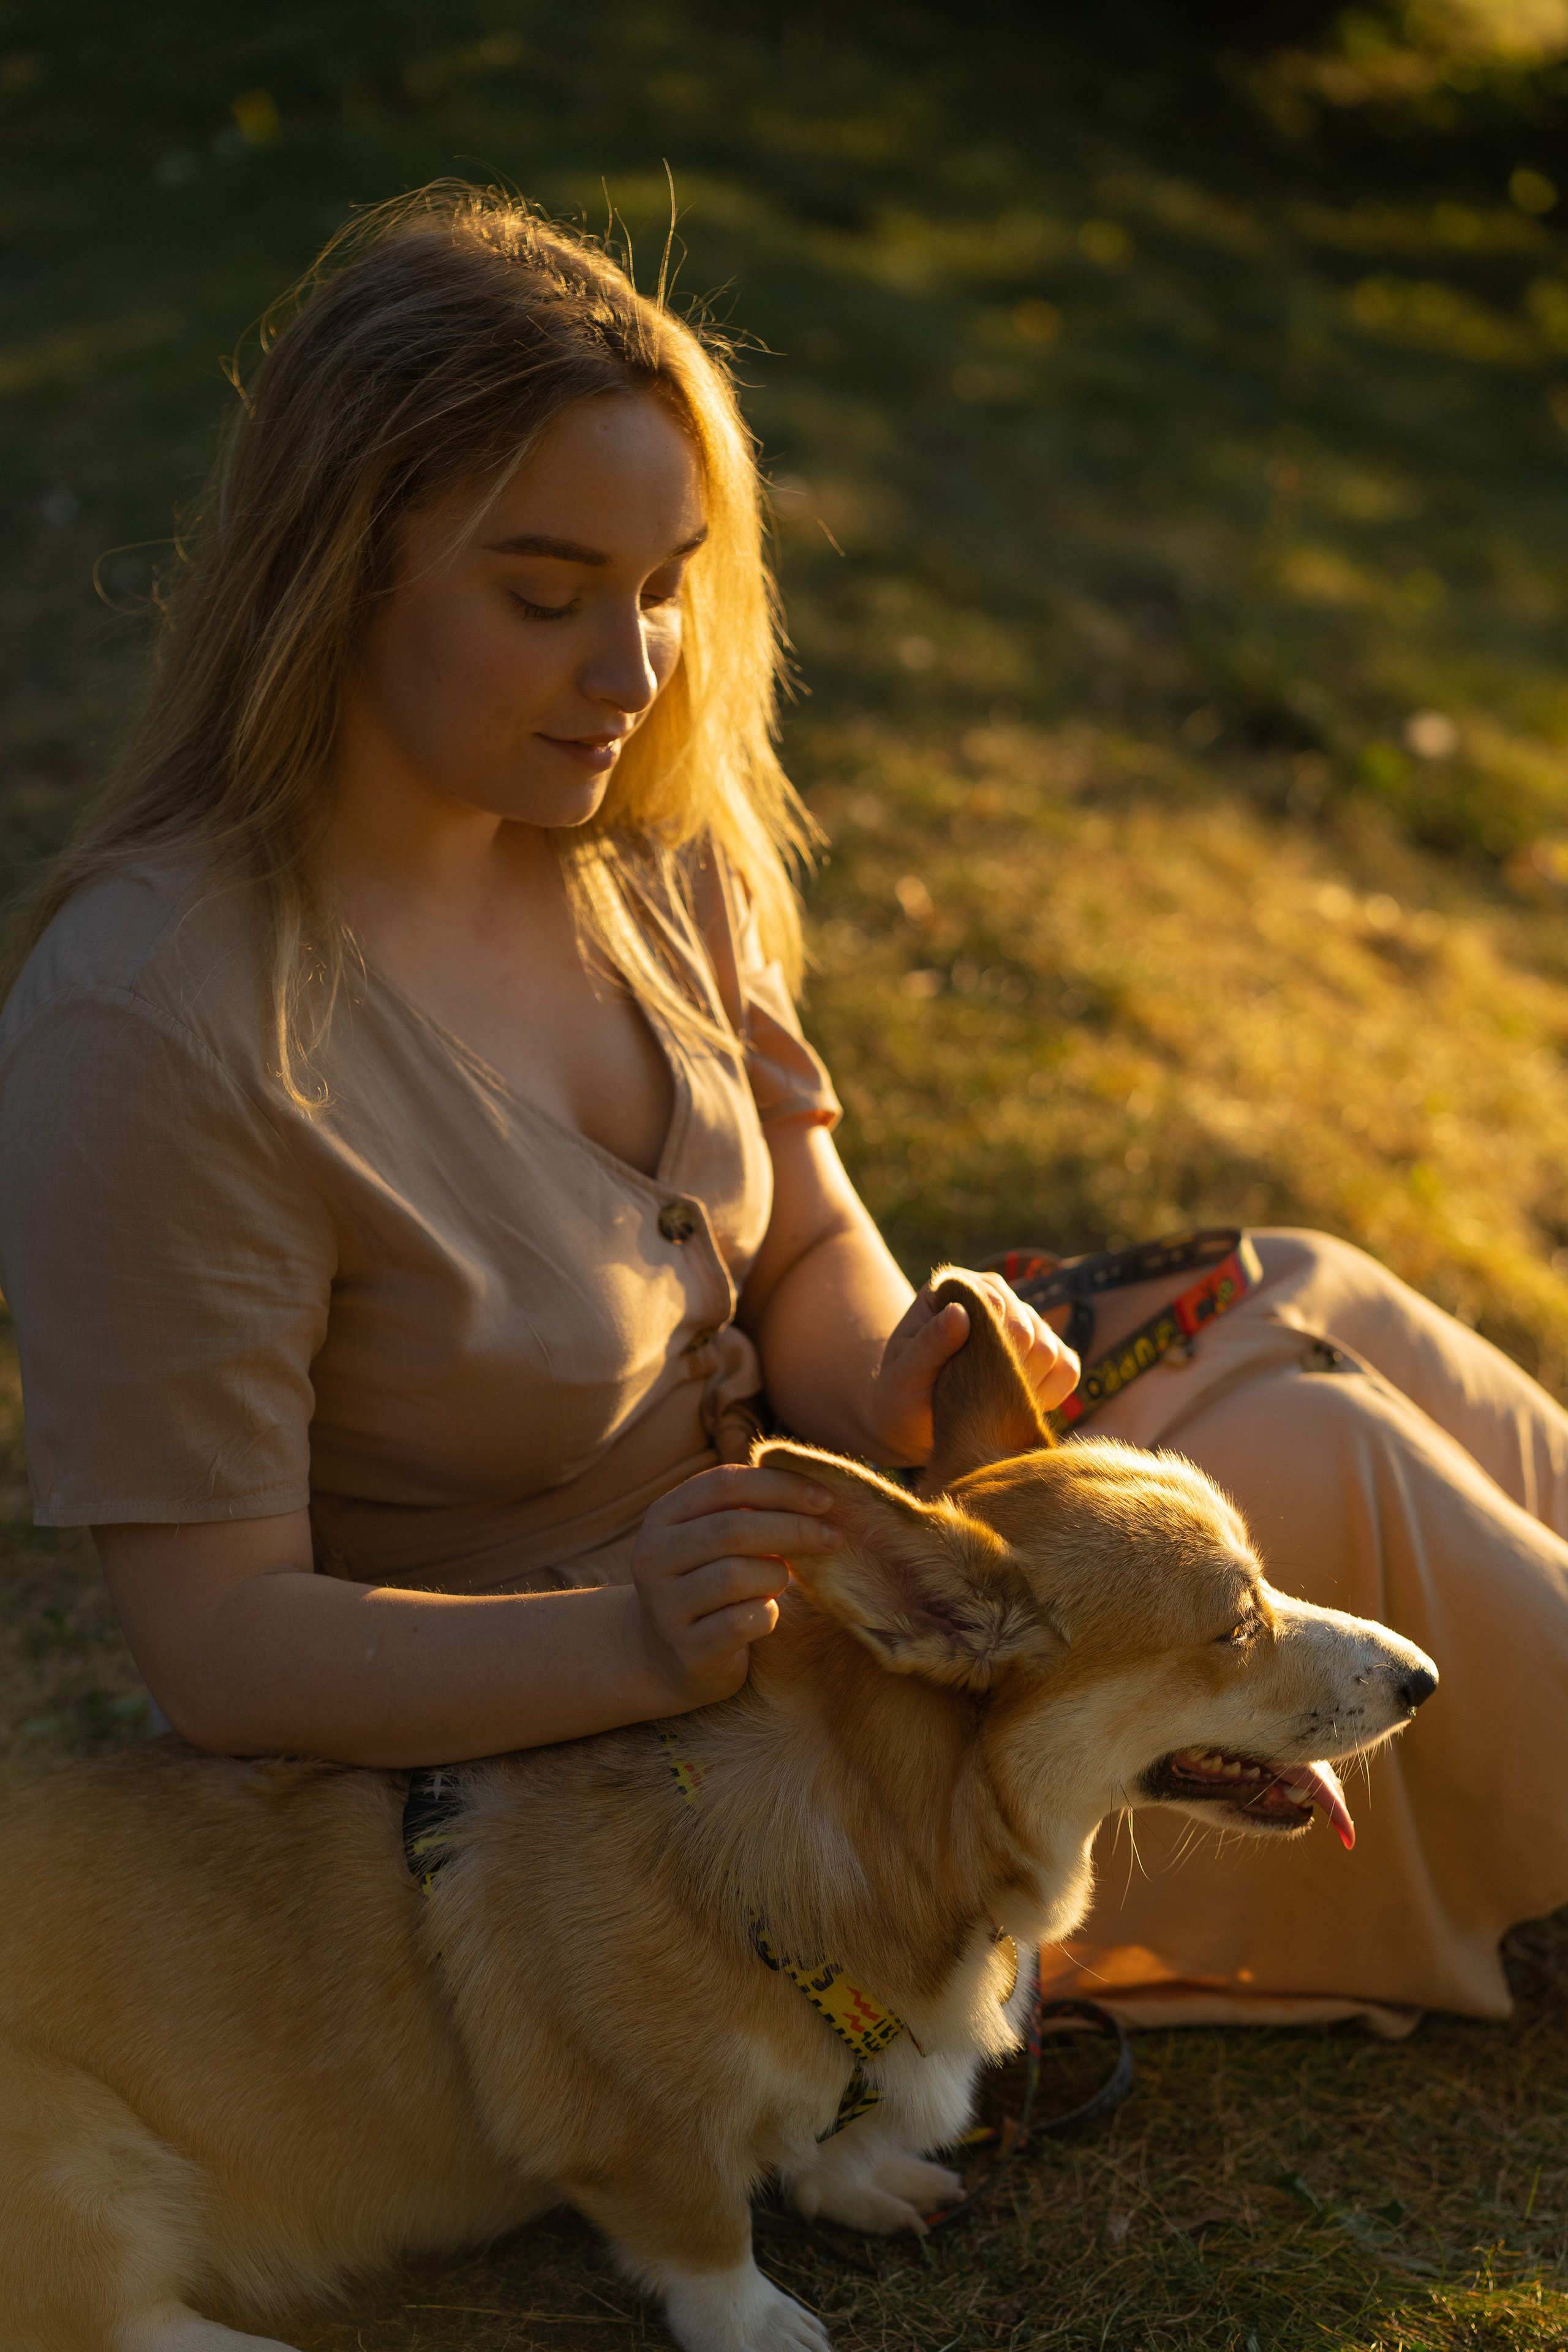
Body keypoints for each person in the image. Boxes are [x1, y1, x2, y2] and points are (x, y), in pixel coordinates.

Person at [1, 187, 1562, 2038]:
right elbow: (221, 1652)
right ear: (336, 571)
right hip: (598, 1736)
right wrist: (632, 1638)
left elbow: (807, 1236)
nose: (631, 671)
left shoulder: (637, 839)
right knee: (1314, 1455)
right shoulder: (157, 1026)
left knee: (1306, 1290)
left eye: (664, 587)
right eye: (545, 597)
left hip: (835, 1555)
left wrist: (906, 1373)